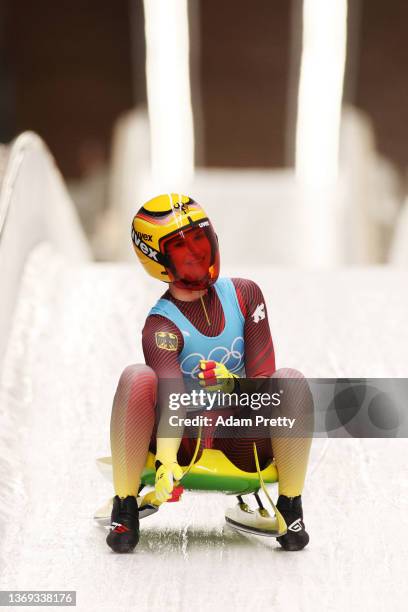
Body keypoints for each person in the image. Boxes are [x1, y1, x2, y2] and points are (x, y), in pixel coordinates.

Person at [106, 194, 313, 553]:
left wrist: (231, 385)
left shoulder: (246, 295)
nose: (198, 254)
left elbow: (264, 379)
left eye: (201, 240)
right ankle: (124, 504)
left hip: (241, 441)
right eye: (182, 248)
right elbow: (170, 392)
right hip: (186, 443)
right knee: (137, 376)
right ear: (158, 260)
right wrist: (167, 461)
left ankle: (291, 506)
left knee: (290, 380)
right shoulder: (160, 325)